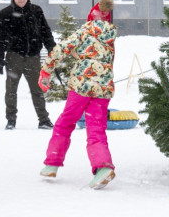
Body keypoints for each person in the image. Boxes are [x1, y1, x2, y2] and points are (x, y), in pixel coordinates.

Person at [38, 18, 118, 189]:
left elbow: (61, 49)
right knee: (96, 128)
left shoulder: (85, 30)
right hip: (103, 88)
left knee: (65, 122)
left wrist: (45, 71)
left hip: (82, 85)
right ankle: (103, 167)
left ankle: (52, 162)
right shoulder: (111, 35)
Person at [0, 0, 57, 130]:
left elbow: (45, 31)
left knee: (37, 90)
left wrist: (51, 47)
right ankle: (11, 120)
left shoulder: (36, 11)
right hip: (14, 57)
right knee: (11, 90)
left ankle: (44, 120)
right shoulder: (5, 13)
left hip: (33, 57)